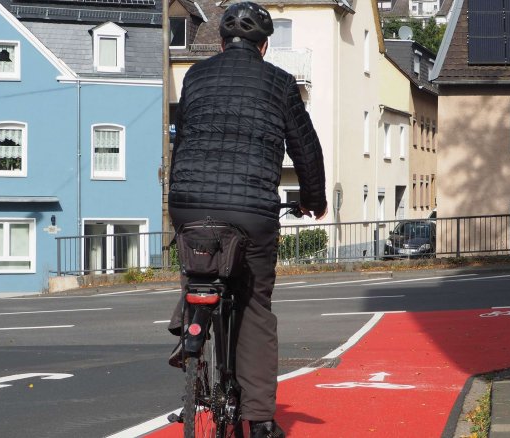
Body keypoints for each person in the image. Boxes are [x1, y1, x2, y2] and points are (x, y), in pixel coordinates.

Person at [167, 2, 327, 437]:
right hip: (251, 212)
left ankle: (191, 332)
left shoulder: (194, 77)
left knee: (200, 264)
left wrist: (177, 206)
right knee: (255, 307)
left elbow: (181, 143)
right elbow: (305, 148)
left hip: (190, 204)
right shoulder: (279, 82)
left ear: (221, 42)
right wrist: (313, 198)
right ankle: (259, 420)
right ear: (265, 45)